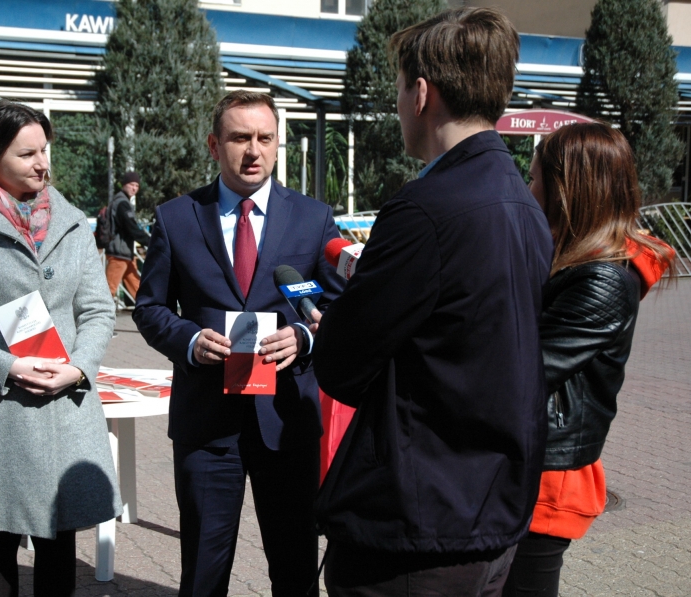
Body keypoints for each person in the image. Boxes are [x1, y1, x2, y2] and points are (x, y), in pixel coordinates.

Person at [311, 8, 554, 596]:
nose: (398, 105)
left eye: (398, 89)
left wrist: (335, 322)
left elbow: (341, 366)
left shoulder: (425, 208)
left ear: (421, 94)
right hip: (490, 511)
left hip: (417, 528)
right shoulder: (523, 203)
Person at [132, 90, 345, 597]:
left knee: (295, 572)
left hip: (286, 421)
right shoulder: (176, 217)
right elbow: (149, 307)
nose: (254, 150)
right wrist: (188, 339)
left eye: (265, 138)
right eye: (240, 138)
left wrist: (303, 338)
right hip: (208, 425)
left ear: (277, 144)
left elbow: (340, 308)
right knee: (203, 575)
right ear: (214, 145)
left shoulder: (313, 218)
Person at [0, 99, 121, 597]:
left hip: (64, 407)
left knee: (58, 547)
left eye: (44, 150)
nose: (41, 163)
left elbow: (98, 310)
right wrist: (6, 365)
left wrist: (79, 367)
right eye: (26, 154)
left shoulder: (72, 222)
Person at [502, 123, 674, 596]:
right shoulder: (571, 261)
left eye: (534, 179)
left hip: (547, 474)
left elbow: (526, 369)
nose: (528, 190)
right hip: (531, 461)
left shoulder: (602, 280)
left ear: (567, 191)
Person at [105, 171, 150, 303]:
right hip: (118, 254)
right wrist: (151, 241)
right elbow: (132, 228)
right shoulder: (122, 204)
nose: (134, 188)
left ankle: (148, 312)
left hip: (125, 254)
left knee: (138, 289)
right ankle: (98, 315)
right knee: (107, 292)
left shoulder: (121, 202)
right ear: (124, 184)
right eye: (131, 184)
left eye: (137, 185)